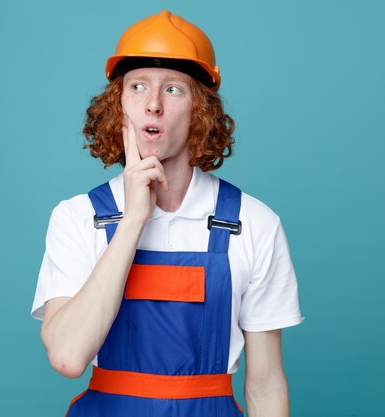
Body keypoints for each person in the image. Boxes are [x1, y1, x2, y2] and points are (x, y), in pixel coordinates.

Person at [31, 10, 304, 417]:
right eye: (137, 86)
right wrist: (133, 221)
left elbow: (265, 385)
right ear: (118, 105)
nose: (153, 105)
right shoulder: (78, 217)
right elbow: (69, 357)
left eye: (174, 89)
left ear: (201, 111)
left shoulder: (253, 223)